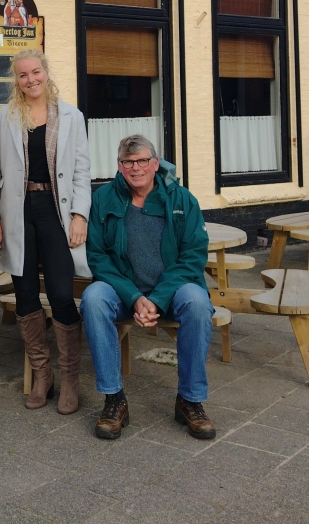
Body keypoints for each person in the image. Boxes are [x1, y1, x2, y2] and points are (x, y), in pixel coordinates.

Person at [82, 134, 216, 441]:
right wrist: (134, 297)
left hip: (173, 289)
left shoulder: (182, 199)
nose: (135, 168)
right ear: (119, 166)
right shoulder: (103, 199)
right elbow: (98, 257)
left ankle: (190, 400)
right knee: (93, 298)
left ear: (155, 164)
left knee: (197, 303)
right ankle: (114, 400)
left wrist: (155, 299)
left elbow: (193, 255)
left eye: (142, 160)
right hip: (123, 290)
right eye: (128, 162)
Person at [0, 49, 91, 413]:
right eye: (22, 75)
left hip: (56, 213)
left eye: (35, 72)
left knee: (63, 294)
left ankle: (69, 380)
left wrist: (80, 215)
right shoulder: (6, 116)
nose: (30, 79)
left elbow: (81, 170)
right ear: (15, 80)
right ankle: (42, 376)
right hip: (18, 212)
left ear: (47, 73)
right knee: (26, 294)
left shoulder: (71, 116)